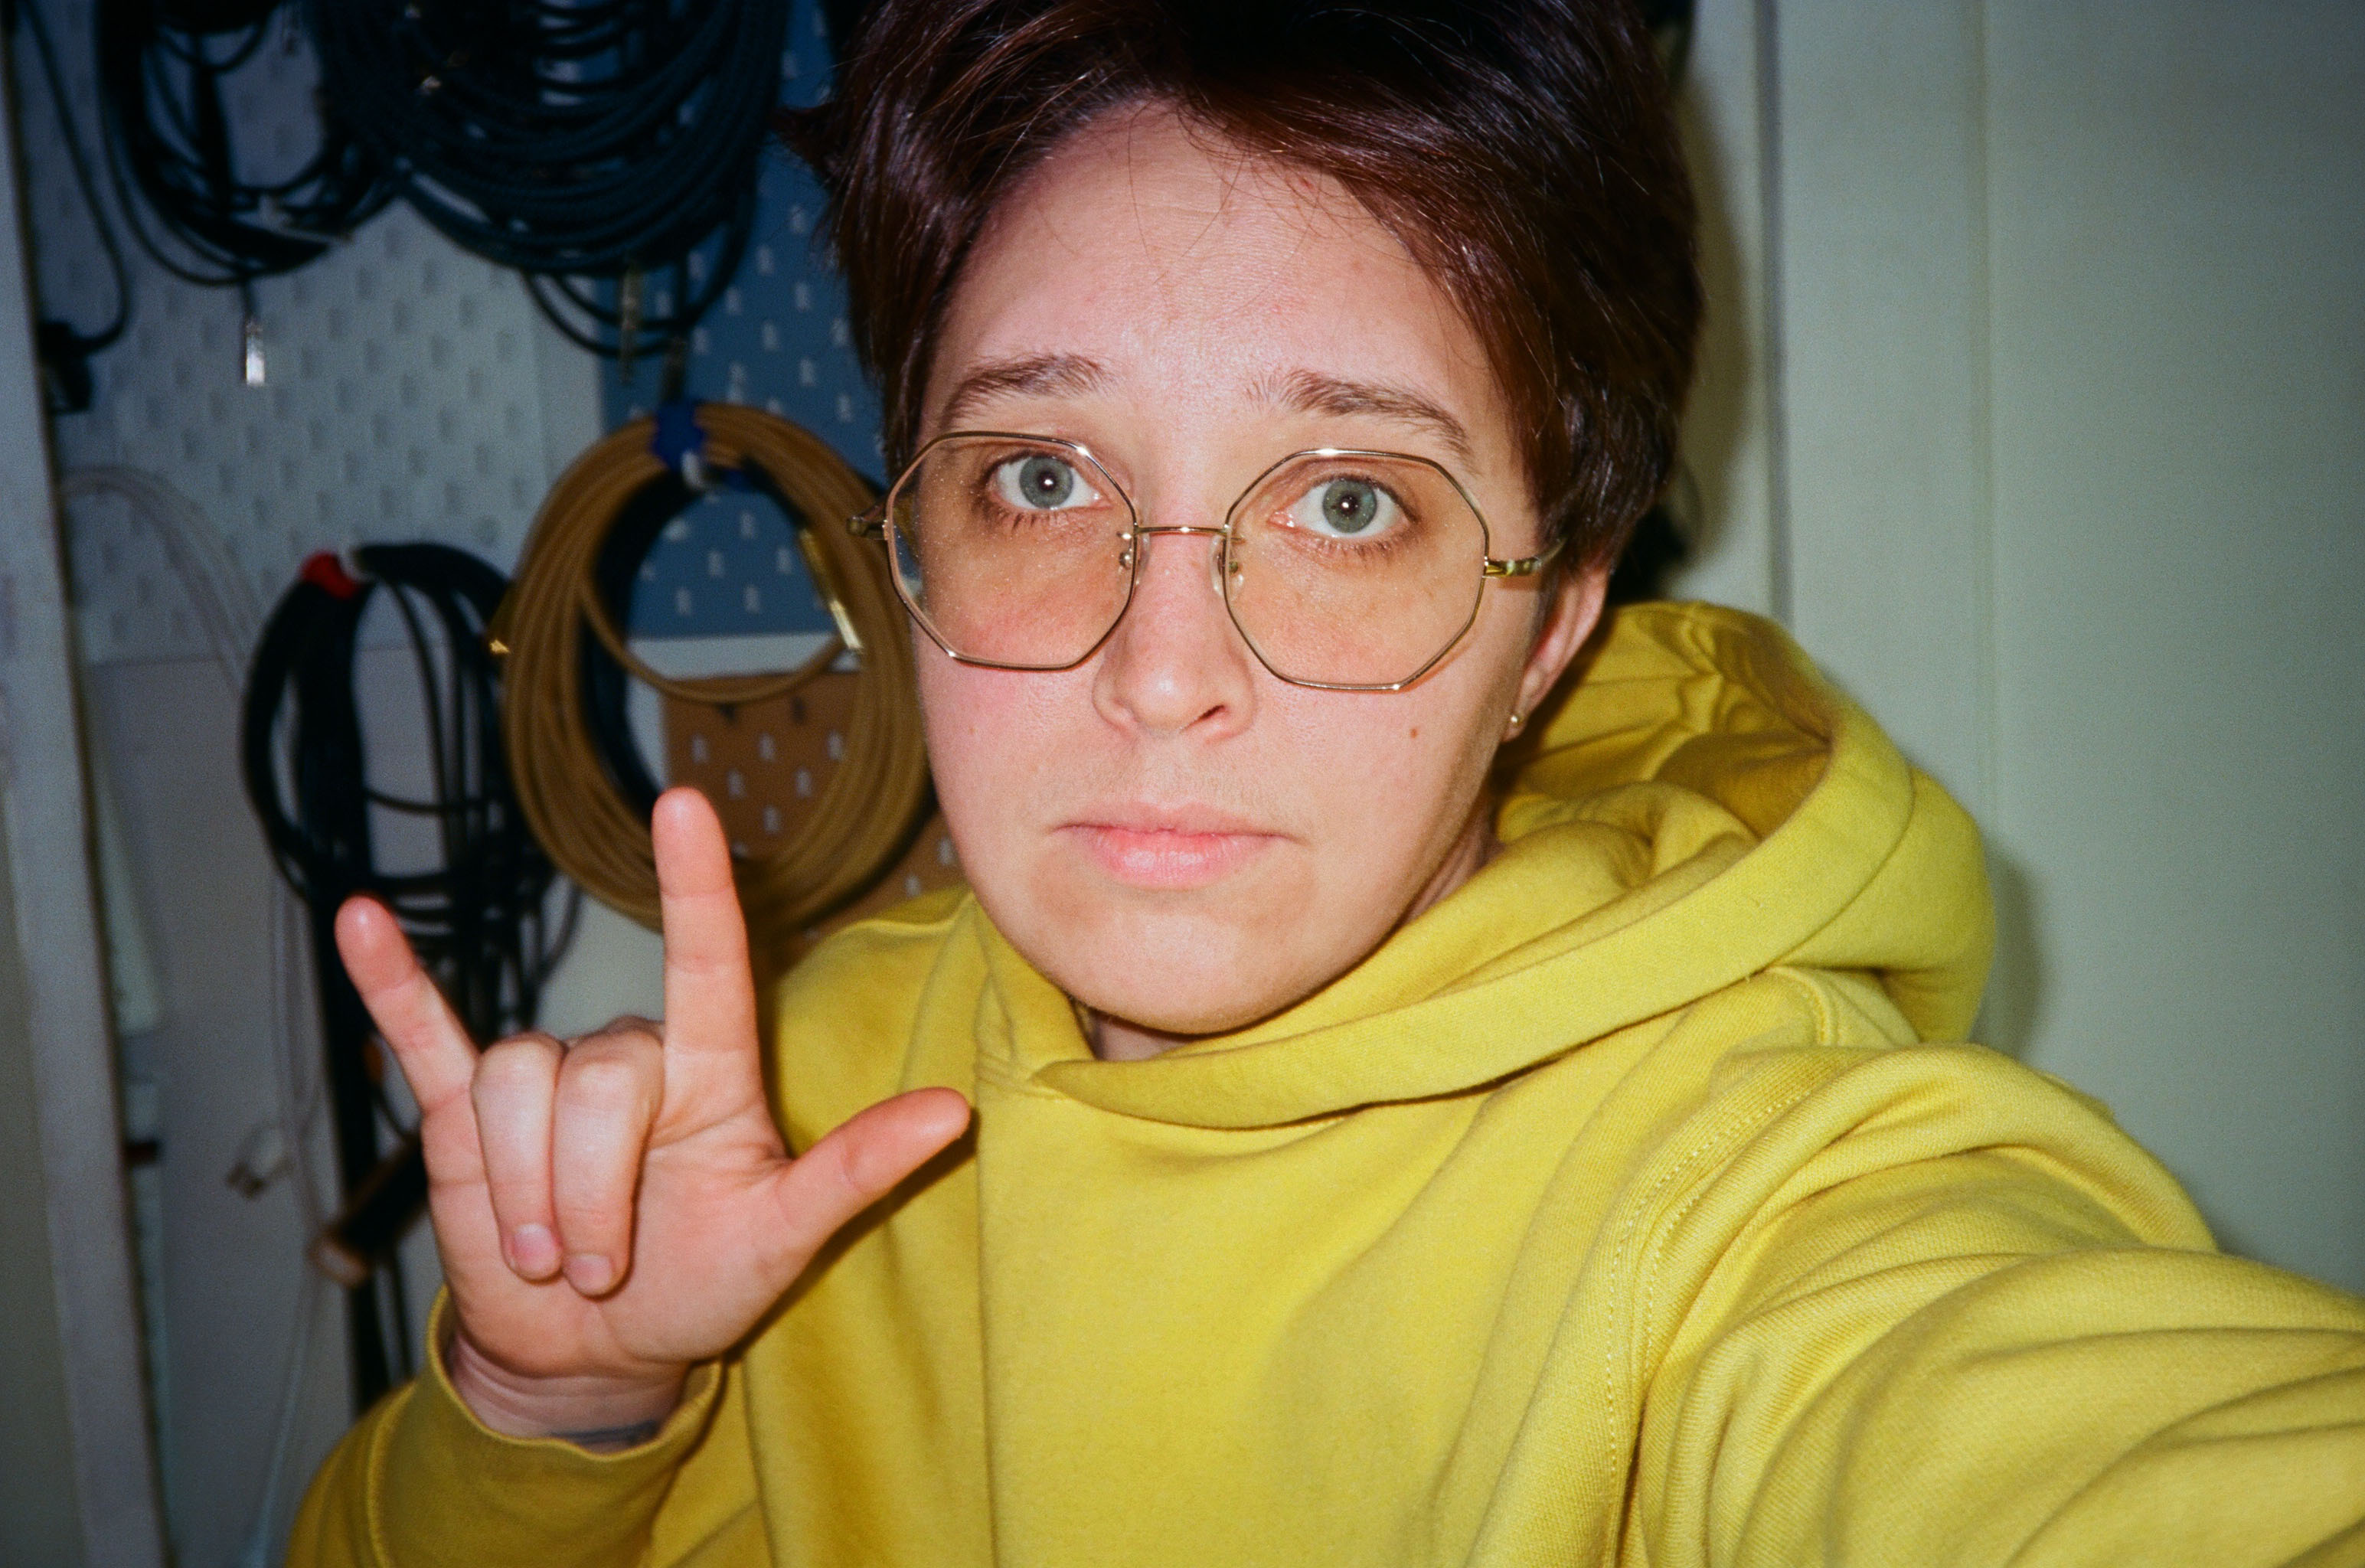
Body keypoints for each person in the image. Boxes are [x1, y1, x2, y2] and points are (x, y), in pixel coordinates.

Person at [291, 2, 2365, 1563]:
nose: (1160, 674)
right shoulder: (810, 1101)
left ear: (1552, 618)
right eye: (1040, 478)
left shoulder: (1746, 1178)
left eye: (1351, 501)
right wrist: (561, 1407)